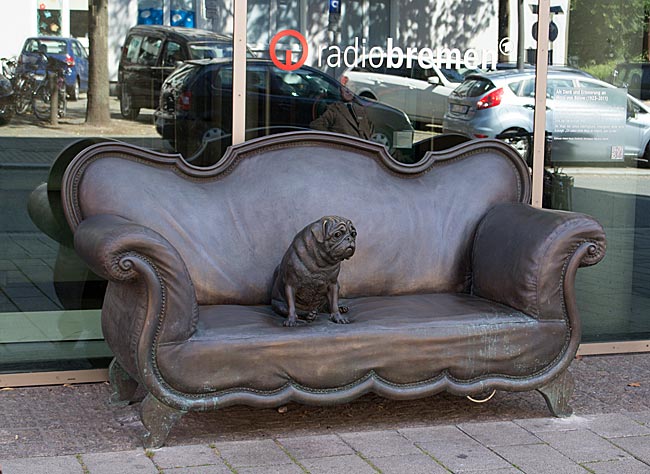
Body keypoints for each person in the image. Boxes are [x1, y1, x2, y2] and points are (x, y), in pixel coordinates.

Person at [310, 86, 374, 140]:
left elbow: (370, 128)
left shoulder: (361, 109)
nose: (349, 91)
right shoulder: (334, 109)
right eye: (345, 88)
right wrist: (335, 140)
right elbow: (315, 125)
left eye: (351, 88)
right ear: (340, 90)